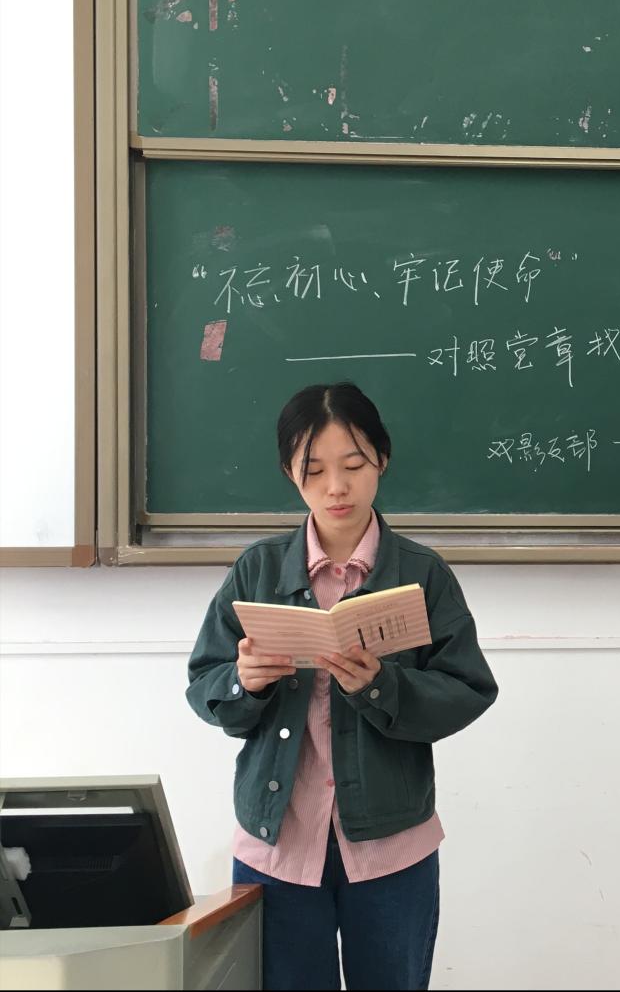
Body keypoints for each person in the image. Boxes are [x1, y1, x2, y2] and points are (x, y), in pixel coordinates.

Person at [186, 382, 498, 991]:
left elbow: (467, 688)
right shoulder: (257, 570)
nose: (336, 487)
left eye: (353, 466)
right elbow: (205, 683)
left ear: (382, 459)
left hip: (391, 847)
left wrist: (383, 686)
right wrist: (244, 683)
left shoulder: (422, 574)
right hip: (277, 845)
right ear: (290, 474)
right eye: (315, 471)